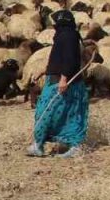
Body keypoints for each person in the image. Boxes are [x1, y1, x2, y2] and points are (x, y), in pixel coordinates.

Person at [28, 10, 90, 159]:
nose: (54, 24)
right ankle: (39, 144)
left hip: (65, 82)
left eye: (56, 21)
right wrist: (44, 71)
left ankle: (74, 146)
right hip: (56, 79)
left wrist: (63, 79)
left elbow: (69, 59)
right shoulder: (65, 35)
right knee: (52, 112)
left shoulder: (68, 36)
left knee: (58, 112)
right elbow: (58, 57)